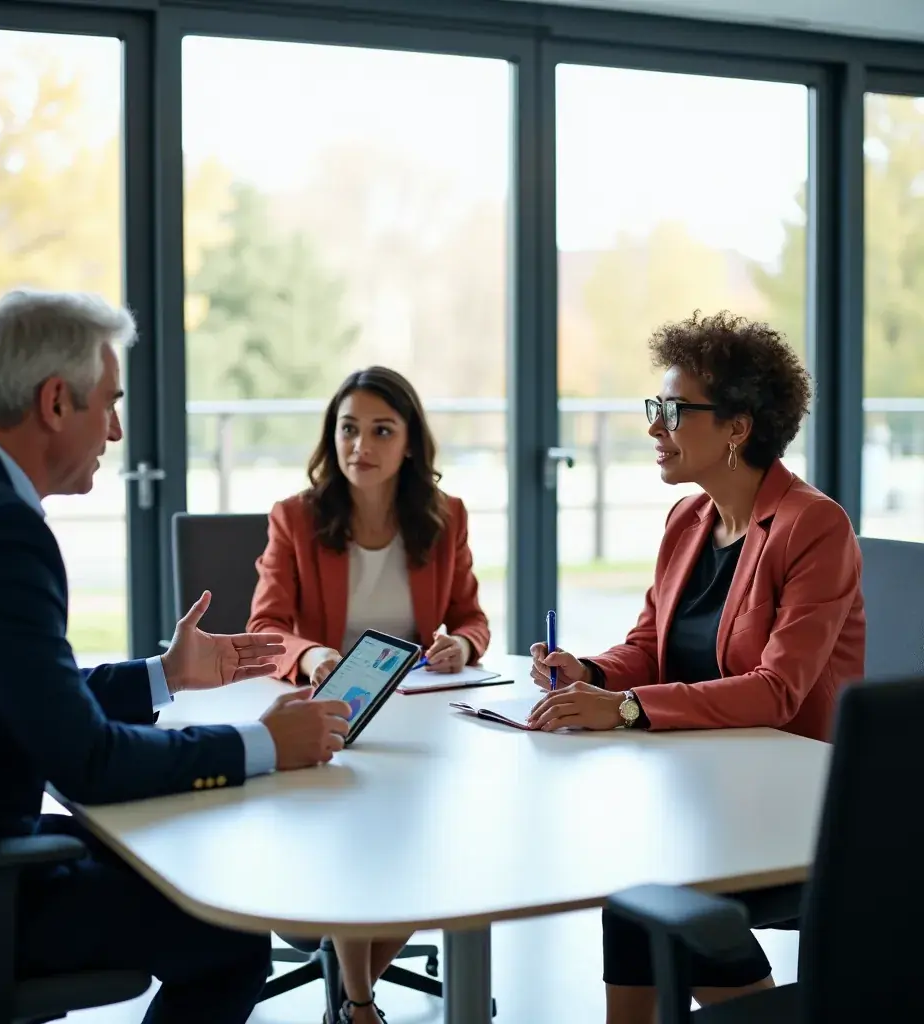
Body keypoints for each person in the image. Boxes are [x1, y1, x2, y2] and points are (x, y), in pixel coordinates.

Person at [0, 289, 352, 1024]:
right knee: (231, 934)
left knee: (170, 853)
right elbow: (90, 765)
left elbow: (8, 690)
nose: (114, 431)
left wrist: (163, 676)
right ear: (54, 402)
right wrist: (264, 743)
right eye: (108, 404)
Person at [527, 311, 865, 1024]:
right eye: (656, 408)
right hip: (708, 790)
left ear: (737, 427)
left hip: (793, 809)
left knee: (648, 889)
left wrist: (623, 710)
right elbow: (648, 646)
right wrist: (588, 670)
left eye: (672, 410)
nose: (654, 426)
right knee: (632, 889)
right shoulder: (688, 521)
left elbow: (776, 692)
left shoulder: (814, 527)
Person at [248, 365, 490, 1024]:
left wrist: (462, 646)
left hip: (418, 722)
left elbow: (471, 617)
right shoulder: (296, 518)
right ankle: (357, 1004)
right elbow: (266, 628)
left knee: (435, 851)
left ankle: (350, 987)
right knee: (361, 840)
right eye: (349, 429)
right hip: (332, 717)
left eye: (382, 430)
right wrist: (315, 654)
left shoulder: (445, 519)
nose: (362, 446)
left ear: (409, 443)